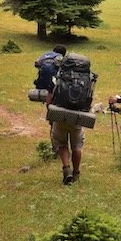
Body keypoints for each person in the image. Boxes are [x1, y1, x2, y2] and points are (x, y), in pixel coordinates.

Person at [37, 44, 82, 185]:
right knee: (77, 147)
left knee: (62, 144)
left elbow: (49, 99)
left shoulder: (57, 76)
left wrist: (50, 107)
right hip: (77, 116)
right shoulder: (82, 78)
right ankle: (76, 172)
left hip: (60, 114)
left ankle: (66, 169)